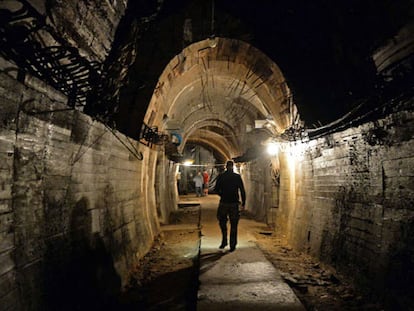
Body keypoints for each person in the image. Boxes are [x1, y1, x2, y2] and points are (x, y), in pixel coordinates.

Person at [214, 160, 246, 252]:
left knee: (222, 222)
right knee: (234, 224)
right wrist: (243, 203)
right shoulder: (237, 177)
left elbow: (216, 189)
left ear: (225, 166)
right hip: (234, 203)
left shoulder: (221, 176)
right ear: (233, 166)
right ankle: (233, 244)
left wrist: (222, 195)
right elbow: (242, 190)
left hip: (224, 202)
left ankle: (224, 241)